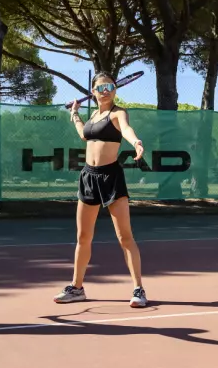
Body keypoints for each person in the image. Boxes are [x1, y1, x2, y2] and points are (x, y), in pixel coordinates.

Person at [55, 73, 149, 307]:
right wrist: (74, 113)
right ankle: (77, 288)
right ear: (93, 91)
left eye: (110, 86)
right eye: (100, 87)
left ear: (115, 90)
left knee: (124, 236)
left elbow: (126, 129)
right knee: (83, 237)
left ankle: (138, 289)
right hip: (88, 177)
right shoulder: (93, 116)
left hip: (111, 177)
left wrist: (136, 142)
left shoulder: (118, 113)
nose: (105, 91)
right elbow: (83, 134)